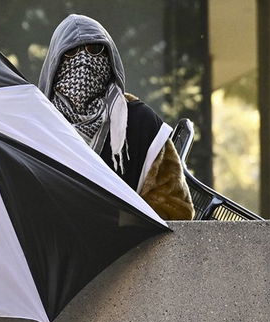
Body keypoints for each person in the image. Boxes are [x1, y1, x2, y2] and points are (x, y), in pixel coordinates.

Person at [38, 14, 193, 220]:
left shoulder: (141, 123)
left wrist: (118, 221)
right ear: (55, 64)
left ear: (110, 59)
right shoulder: (37, 126)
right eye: (71, 52)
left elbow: (177, 209)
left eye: (95, 50)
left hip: (128, 249)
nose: (83, 61)